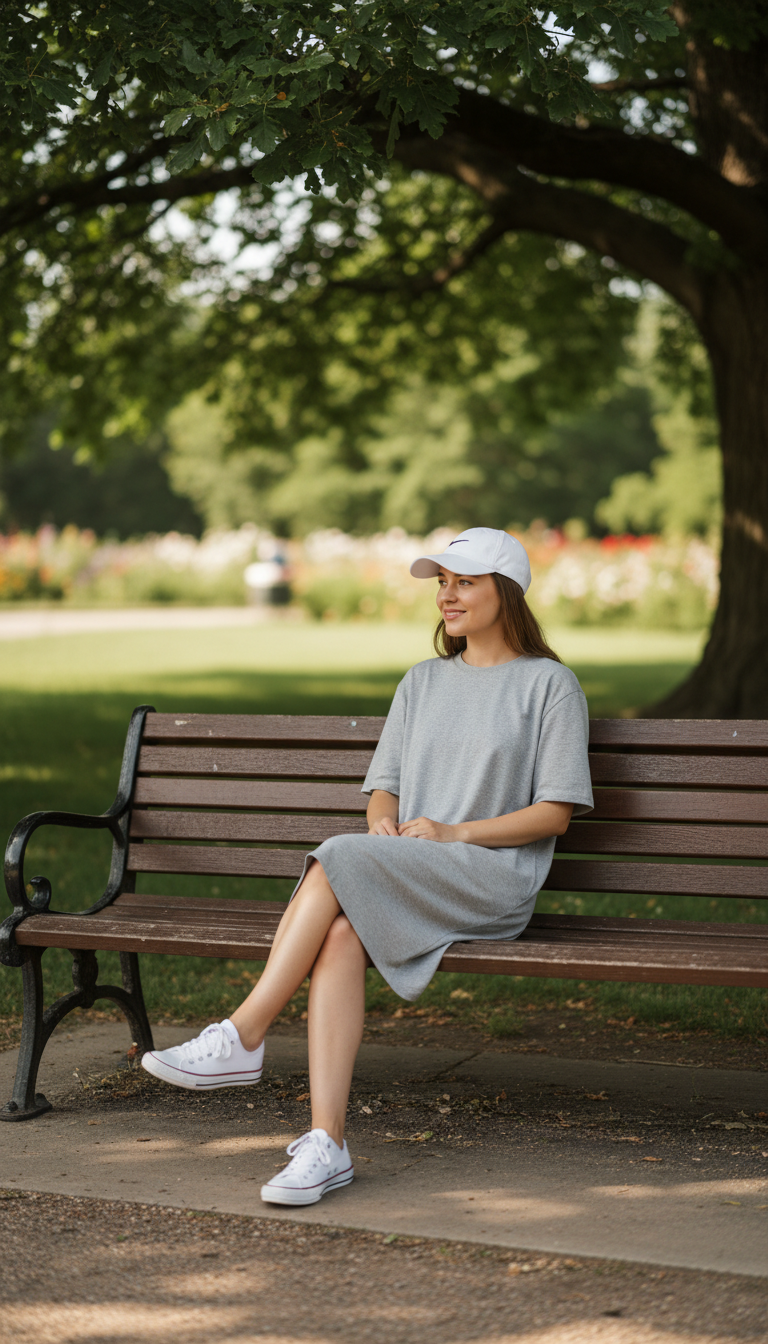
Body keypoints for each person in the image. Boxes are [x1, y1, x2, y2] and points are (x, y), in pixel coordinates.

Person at [142, 526, 594, 1205]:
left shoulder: (550, 685)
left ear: (507, 591)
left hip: (493, 879)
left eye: (463, 581)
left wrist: (454, 832)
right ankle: (327, 1144)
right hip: (415, 866)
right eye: (441, 582)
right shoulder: (421, 681)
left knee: (337, 858)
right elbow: (384, 787)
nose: (447, 595)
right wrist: (383, 820)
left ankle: (245, 1033)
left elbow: (554, 813)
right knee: (342, 932)